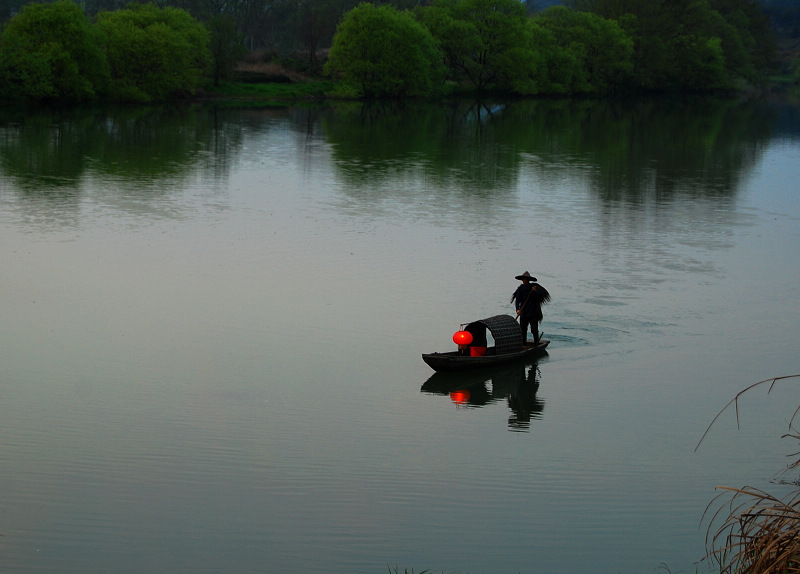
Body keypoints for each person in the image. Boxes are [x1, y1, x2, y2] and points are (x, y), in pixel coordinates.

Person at [510, 271, 550, 345]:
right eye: (523, 279)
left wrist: (535, 291)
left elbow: (540, 295)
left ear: (528, 280)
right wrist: (518, 309)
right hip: (523, 313)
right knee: (523, 330)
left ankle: (536, 343)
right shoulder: (520, 289)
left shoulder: (533, 288)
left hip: (533, 313)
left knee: (534, 330)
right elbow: (517, 300)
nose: (524, 281)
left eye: (525, 279)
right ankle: (523, 344)